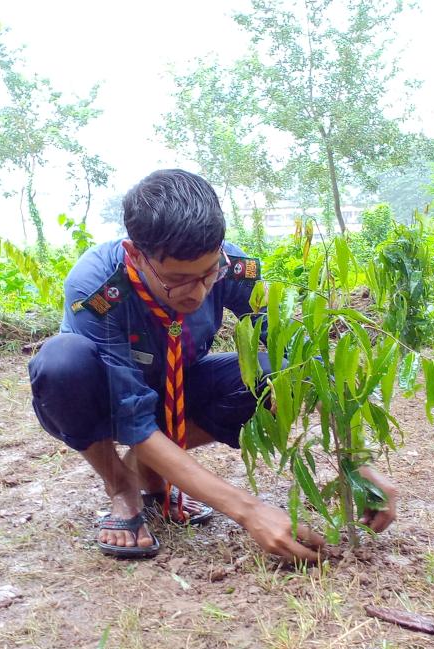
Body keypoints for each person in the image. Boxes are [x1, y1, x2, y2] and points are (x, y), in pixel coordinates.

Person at [29, 169, 397, 562]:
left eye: (208, 274)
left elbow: (302, 355)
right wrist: (249, 510)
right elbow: (130, 413)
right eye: (178, 280)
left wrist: (358, 459)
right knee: (62, 363)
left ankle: (151, 469)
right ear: (136, 255)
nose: (199, 291)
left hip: (178, 387)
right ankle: (122, 486)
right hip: (104, 395)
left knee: (280, 372)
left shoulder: (231, 265)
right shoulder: (99, 289)